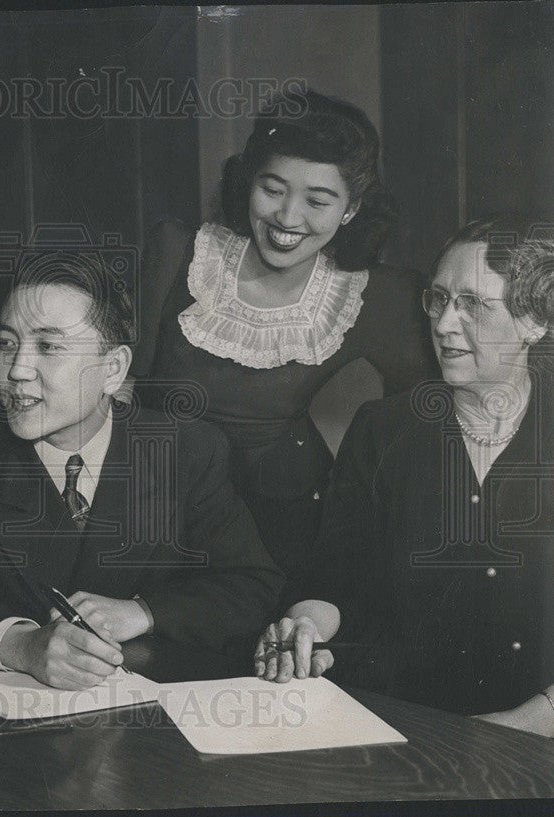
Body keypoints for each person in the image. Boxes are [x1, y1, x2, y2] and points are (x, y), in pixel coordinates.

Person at [0, 253, 283, 689]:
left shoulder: (186, 450)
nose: (16, 370)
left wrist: (143, 612)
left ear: (113, 369)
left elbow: (251, 583)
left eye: (49, 347)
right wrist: (22, 646)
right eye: (7, 343)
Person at [254, 215, 554, 736]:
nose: (443, 324)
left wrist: (529, 725)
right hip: (399, 726)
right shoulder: (382, 429)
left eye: (473, 305)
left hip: (540, 739)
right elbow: (335, 578)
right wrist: (305, 627)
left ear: (534, 320)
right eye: (438, 299)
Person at [142, 90, 437, 593]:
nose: (288, 217)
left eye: (318, 201)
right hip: (158, 512)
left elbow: (425, 417)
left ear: (350, 209)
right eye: (273, 189)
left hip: (285, 528)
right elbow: (115, 386)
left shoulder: (374, 294)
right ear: (248, 181)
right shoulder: (180, 252)